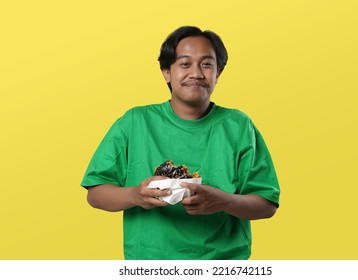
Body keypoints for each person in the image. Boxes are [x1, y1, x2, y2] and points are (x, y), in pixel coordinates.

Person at [81, 26, 280, 260]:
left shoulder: (238, 125)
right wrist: (136, 195)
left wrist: (222, 201)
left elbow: (266, 204)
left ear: (218, 73)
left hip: (224, 262)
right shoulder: (135, 122)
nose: (196, 73)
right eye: (185, 64)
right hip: (150, 262)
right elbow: (96, 194)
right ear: (166, 72)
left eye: (206, 64)